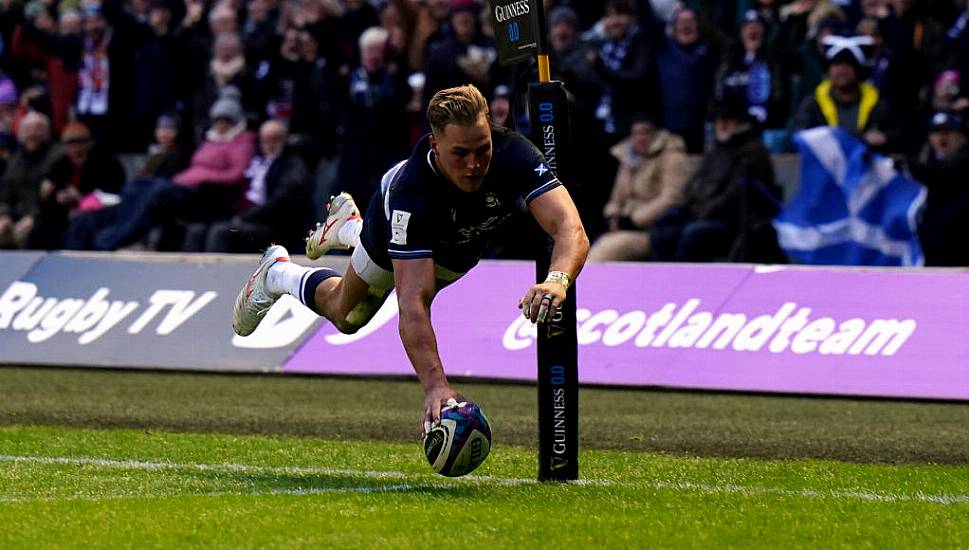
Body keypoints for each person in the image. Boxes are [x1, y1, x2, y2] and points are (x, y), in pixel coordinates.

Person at [231, 84, 589, 434]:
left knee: (409, 274)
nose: (474, 164)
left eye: (482, 149)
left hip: (458, 244)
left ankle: (348, 227)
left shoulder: (515, 154)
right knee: (347, 314)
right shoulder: (411, 193)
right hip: (395, 223)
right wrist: (436, 385)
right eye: (460, 153)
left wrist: (557, 280)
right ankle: (278, 273)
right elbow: (413, 302)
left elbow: (570, 228)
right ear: (435, 144)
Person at [649, 94, 782, 263]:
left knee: (694, 234)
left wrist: (705, 211)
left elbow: (735, 196)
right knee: (662, 230)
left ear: (740, 122)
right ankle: (663, 280)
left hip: (734, 222)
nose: (722, 124)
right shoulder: (715, 149)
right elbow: (696, 182)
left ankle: (686, 281)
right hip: (702, 214)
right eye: (719, 120)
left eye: (728, 119)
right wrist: (689, 205)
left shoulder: (752, 152)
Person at [191, 119, 310, 252]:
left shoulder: (292, 165)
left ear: (285, 140)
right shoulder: (257, 161)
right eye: (265, 140)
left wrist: (244, 217)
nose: (270, 145)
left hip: (272, 224)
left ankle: (212, 272)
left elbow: (280, 201)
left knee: (220, 233)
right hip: (247, 217)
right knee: (197, 230)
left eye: (275, 139)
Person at [588, 114, 688, 262]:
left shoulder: (672, 157)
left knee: (602, 254)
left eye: (646, 132)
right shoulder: (628, 158)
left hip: (652, 231)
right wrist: (613, 217)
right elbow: (616, 198)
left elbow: (671, 199)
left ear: (657, 134)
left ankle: (584, 283)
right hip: (622, 228)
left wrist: (633, 221)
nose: (641, 138)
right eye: (636, 133)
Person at [790, 34, 899, 152]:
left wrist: (883, 137)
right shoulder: (813, 104)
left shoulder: (877, 103)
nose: (842, 70)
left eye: (847, 65)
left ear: (857, 70)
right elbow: (799, 136)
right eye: (836, 64)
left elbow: (898, 134)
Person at [911, 110, 969, 266]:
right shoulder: (926, 160)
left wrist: (906, 166)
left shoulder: (964, 161)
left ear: (962, 136)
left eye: (948, 132)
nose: (942, 138)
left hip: (961, 254)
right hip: (932, 251)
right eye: (936, 133)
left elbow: (943, 176)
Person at [0, 111, 61, 248]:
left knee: (27, 236)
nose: (33, 134)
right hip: (15, 217)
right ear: (20, 133)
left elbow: (53, 200)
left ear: (47, 132)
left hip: (44, 220)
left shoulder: (58, 158)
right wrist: (4, 215)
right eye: (28, 130)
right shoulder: (14, 159)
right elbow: (5, 193)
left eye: (38, 129)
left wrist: (33, 218)